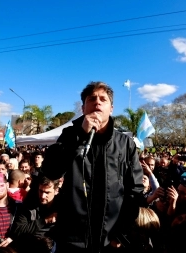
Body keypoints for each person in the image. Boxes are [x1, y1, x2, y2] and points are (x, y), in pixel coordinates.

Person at [41, 81, 144, 253]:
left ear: (111, 108)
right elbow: (51, 171)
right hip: (73, 241)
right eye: (91, 99)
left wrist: (121, 234)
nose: (97, 102)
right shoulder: (69, 136)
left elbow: (135, 191)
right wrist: (80, 135)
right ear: (83, 108)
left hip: (109, 241)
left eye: (103, 99)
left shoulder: (125, 144)